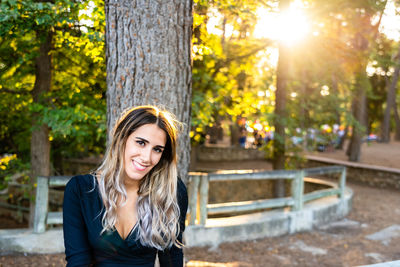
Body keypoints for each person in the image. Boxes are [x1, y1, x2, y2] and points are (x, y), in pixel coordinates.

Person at [63, 105, 188, 267]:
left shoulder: (171, 191)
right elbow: (78, 261)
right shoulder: (81, 190)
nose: (146, 157)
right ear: (122, 139)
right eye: (141, 143)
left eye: (157, 149)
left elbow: (172, 260)